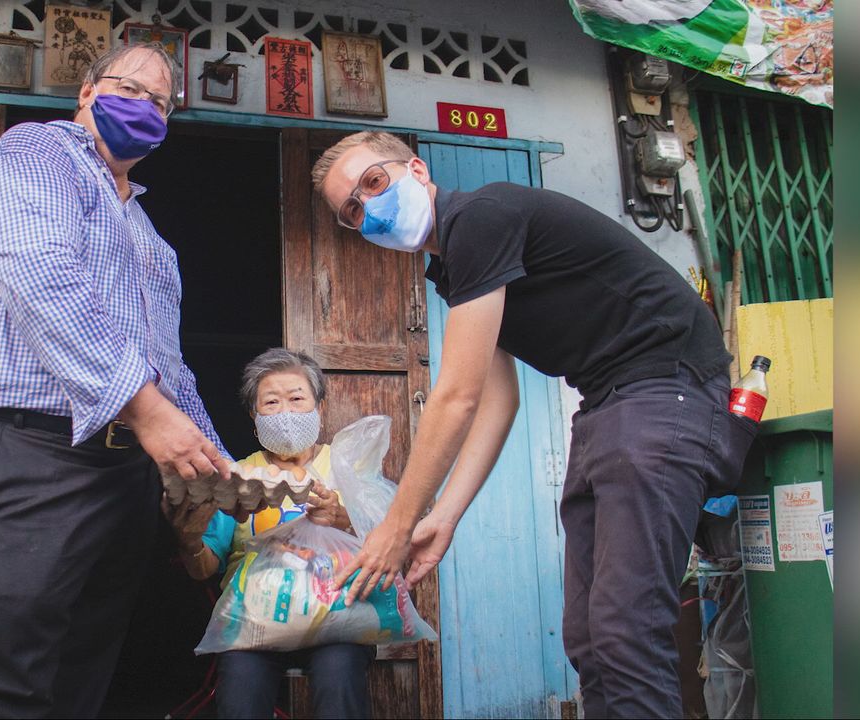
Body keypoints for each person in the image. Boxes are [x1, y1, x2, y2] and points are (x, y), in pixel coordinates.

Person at [311, 131, 755, 719]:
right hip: (606, 407)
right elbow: (499, 402)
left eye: (373, 183)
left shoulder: (479, 217)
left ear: (416, 169)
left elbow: (457, 396)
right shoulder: (451, 267)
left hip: (662, 392)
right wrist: (442, 518)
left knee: (626, 632)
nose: (369, 208)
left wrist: (398, 526)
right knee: (590, 640)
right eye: (353, 212)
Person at [0, 43, 234, 718]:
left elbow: (167, 364)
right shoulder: (35, 154)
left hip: (112, 468)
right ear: (86, 94)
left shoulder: (144, 232)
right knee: (11, 659)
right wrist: (145, 412)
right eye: (130, 88)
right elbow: (41, 276)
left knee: (80, 668)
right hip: (17, 439)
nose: (145, 106)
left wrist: (213, 461)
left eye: (161, 102)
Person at [167, 348, 375, 719]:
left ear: (319, 407)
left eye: (297, 399)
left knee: (339, 672)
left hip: (335, 621)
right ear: (254, 416)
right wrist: (188, 538)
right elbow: (203, 569)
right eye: (271, 402)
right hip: (254, 625)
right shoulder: (235, 479)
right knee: (241, 687)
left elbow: (386, 542)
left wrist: (342, 518)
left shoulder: (348, 466)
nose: (286, 412)